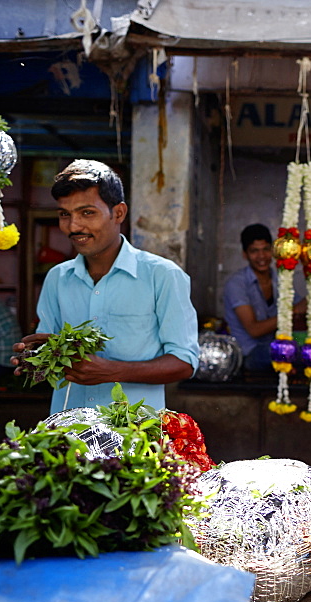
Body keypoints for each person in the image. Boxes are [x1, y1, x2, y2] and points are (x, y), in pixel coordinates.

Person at [11, 160, 199, 413]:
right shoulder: (57, 278)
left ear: (118, 213)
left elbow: (184, 362)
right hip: (67, 433)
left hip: (134, 435)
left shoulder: (162, 275)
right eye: (65, 214)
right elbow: (50, 353)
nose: (74, 226)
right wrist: (35, 359)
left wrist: (113, 371)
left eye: (87, 213)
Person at [222, 224, 304, 372]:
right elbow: (254, 330)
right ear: (245, 254)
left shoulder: (279, 279)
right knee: (287, 352)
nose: (261, 256)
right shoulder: (236, 284)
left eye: (266, 249)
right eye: (254, 251)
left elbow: (301, 307)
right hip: (249, 355)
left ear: (272, 251)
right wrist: (293, 312)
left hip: (276, 347)